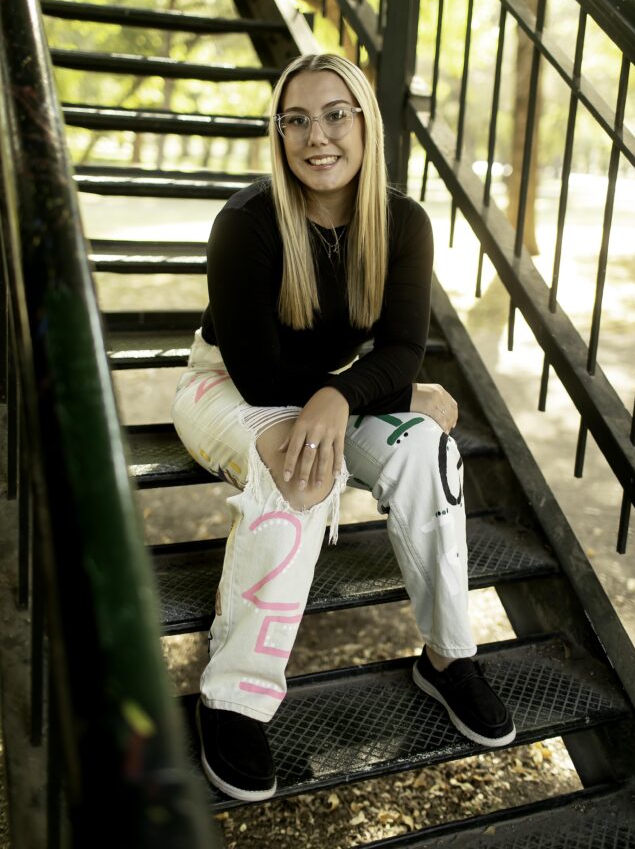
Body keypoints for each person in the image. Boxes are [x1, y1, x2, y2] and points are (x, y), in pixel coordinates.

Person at [171, 53, 515, 802]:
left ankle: (448, 657)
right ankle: (233, 696)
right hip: (225, 386)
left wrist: (362, 394)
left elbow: (398, 349)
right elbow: (261, 379)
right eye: (295, 118)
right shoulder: (246, 223)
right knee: (303, 468)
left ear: (365, 123)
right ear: (279, 133)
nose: (314, 135)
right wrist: (360, 394)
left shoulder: (403, 222)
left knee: (426, 444)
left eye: (334, 114)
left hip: (327, 395)